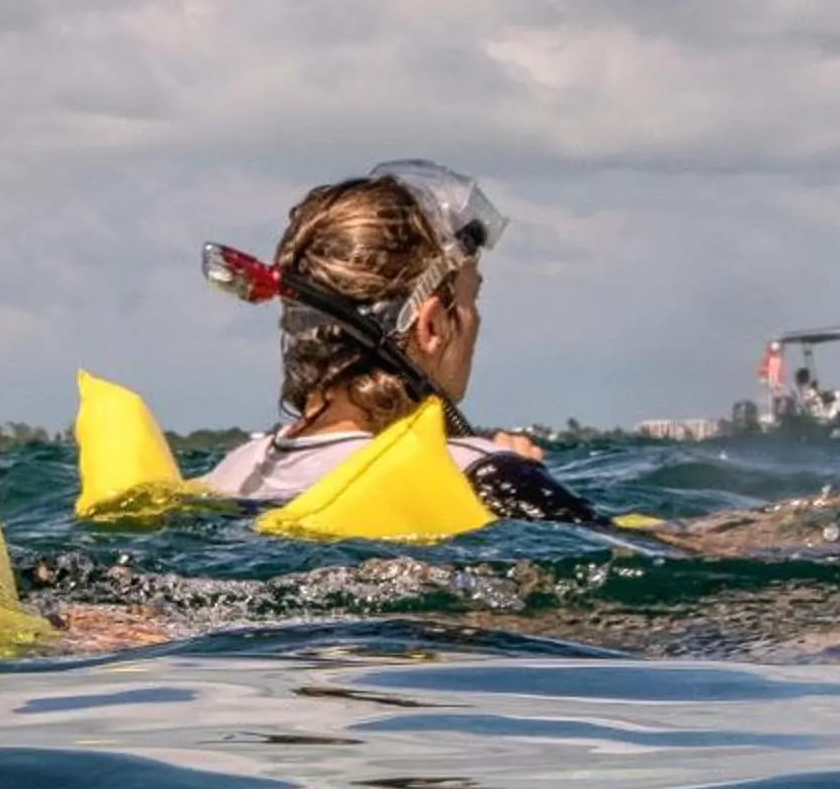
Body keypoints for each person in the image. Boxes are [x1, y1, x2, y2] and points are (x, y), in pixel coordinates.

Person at [197, 161, 617, 526]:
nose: (476, 321)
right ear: (430, 325)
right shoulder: (478, 474)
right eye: (472, 299)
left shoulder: (233, 473)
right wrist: (525, 481)